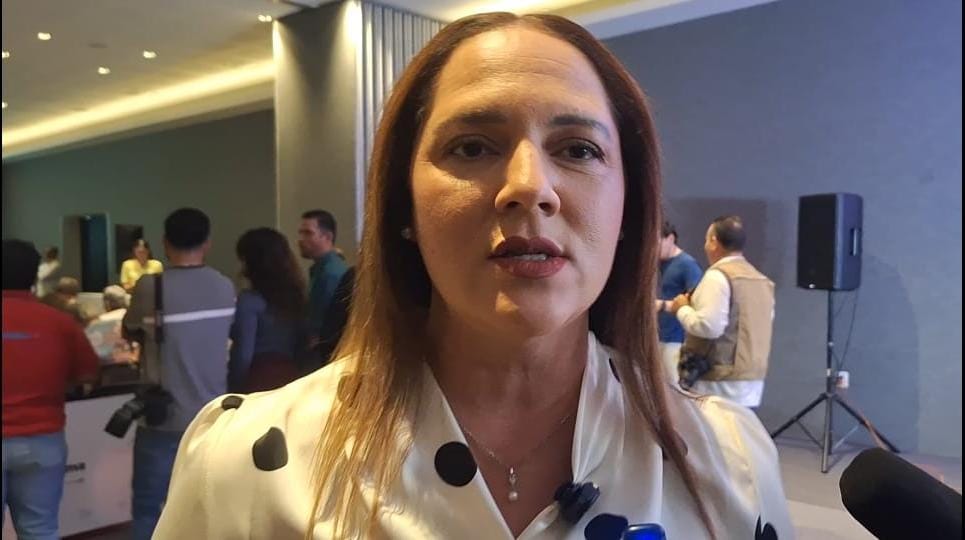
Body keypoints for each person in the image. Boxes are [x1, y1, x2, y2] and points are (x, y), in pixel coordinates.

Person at [154, 14, 791, 539]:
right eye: (472, 147)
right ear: (404, 206)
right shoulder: (246, 463)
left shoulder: (729, 460)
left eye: (578, 149)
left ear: (629, 209)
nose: (529, 187)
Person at [122, 208, 235, 540]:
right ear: (208, 242)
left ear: (165, 243)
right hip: (213, 419)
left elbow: (130, 329)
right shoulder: (224, 286)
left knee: (148, 508)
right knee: (208, 509)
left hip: (164, 417)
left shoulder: (150, 287)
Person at [3, 239, 100, 540]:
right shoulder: (59, 322)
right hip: (42, 440)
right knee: (40, 529)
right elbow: (88, 373)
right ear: (35, 276)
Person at [670, 215, 775, 409]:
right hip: (751, 378)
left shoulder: (718, 277)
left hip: (718, 378)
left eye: (706, 240)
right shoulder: (762, 281)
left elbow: (708, 327)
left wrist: (682, 308)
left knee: (713, 428)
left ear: (713, 242)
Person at [229, 228, 307, 393]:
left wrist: (234, 387)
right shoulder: (296, 295)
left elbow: (243, 353)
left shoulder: (249, 301)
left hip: (258, 379)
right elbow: (301, 344)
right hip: (291, 377)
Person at [655, 221, 703, 385]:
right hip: (659, 337)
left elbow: (697, 301)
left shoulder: (687, 265)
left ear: (670, 238)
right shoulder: (660, 265)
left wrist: (662, 305)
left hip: (675, 341)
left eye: (657, 242)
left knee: (674, 388)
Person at [297, 209, 348, 341]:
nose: (300, 239)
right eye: (300, 233)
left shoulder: (330, 273)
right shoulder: (322, 268)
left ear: (327, 237)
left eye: (308, 233)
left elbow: (323, 324)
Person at [85, 285, 138, 365]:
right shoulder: (135, 319)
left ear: (107, 303)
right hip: (133, 365)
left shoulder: (96, 323)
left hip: (105, 366)